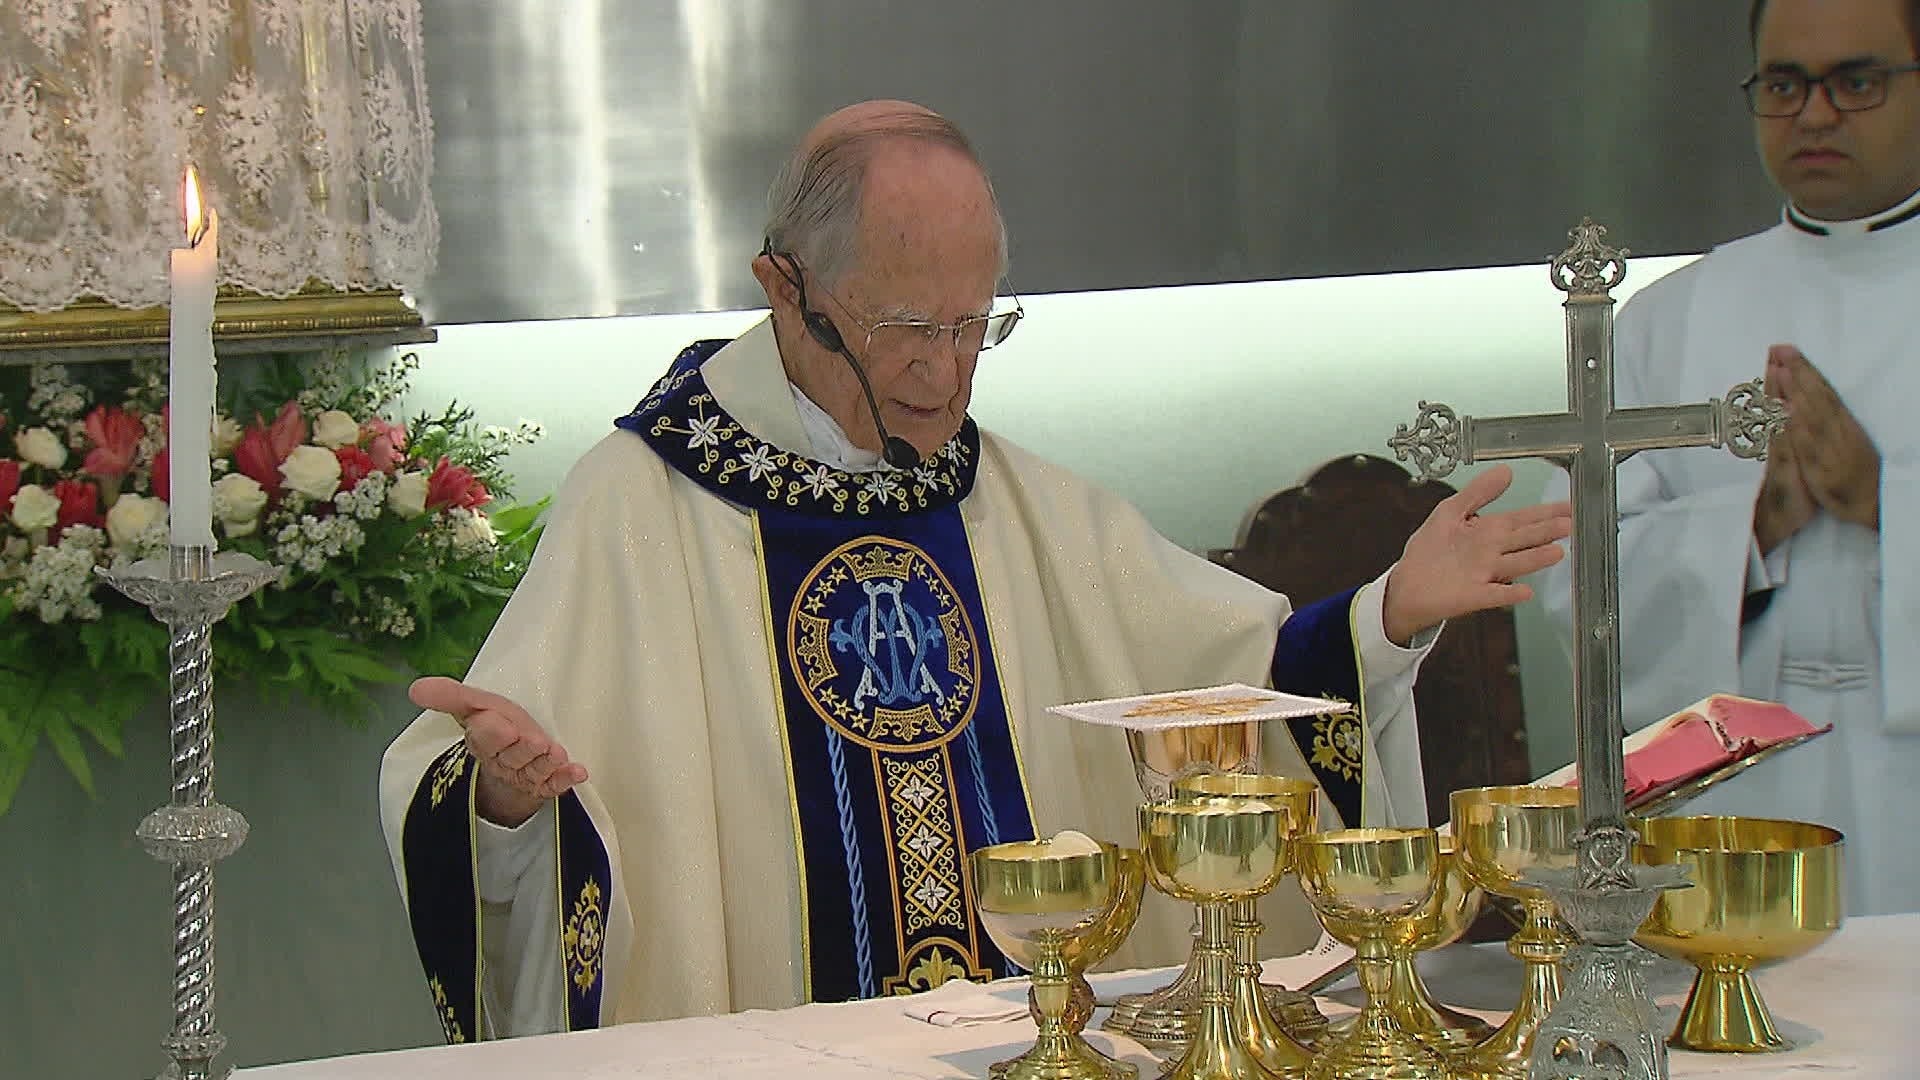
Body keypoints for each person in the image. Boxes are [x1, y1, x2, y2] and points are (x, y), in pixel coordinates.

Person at [380, 100, 1572, 1041]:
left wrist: (1384, 621)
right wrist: (503, 803)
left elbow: (1228, 677)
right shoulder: (644, 502)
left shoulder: (1017, 501)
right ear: (784, 291)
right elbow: (485, 773)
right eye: (907, 329)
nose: (946, 377)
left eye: (975, 327)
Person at [1543, 0, 1920, 916]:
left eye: (1857, 81)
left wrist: (1883, 501)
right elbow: (1581, 582)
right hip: (1737, 791)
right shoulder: (1670, 319)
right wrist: (1751, 531)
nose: (1815, 115)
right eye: (1784, 85)